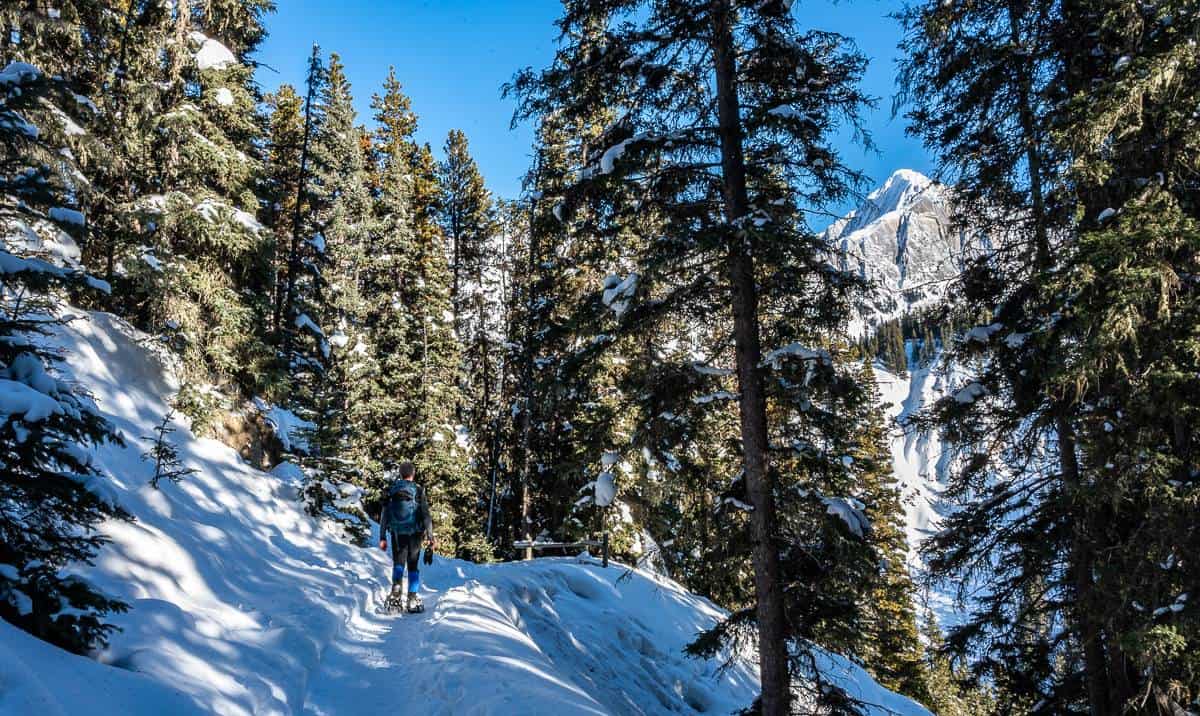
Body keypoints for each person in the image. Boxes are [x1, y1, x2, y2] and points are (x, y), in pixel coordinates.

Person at [378, 461, 435, 613]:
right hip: (415, 534)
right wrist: (430, 537)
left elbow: (385, 516)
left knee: (398, 563)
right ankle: (412, 598)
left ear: (400, 473)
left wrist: (382, 536)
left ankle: (396, 596)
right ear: (413, 473)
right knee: (413, 565)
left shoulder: (391, 490)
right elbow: (425, 515)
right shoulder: (418, 490)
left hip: (397, 532)